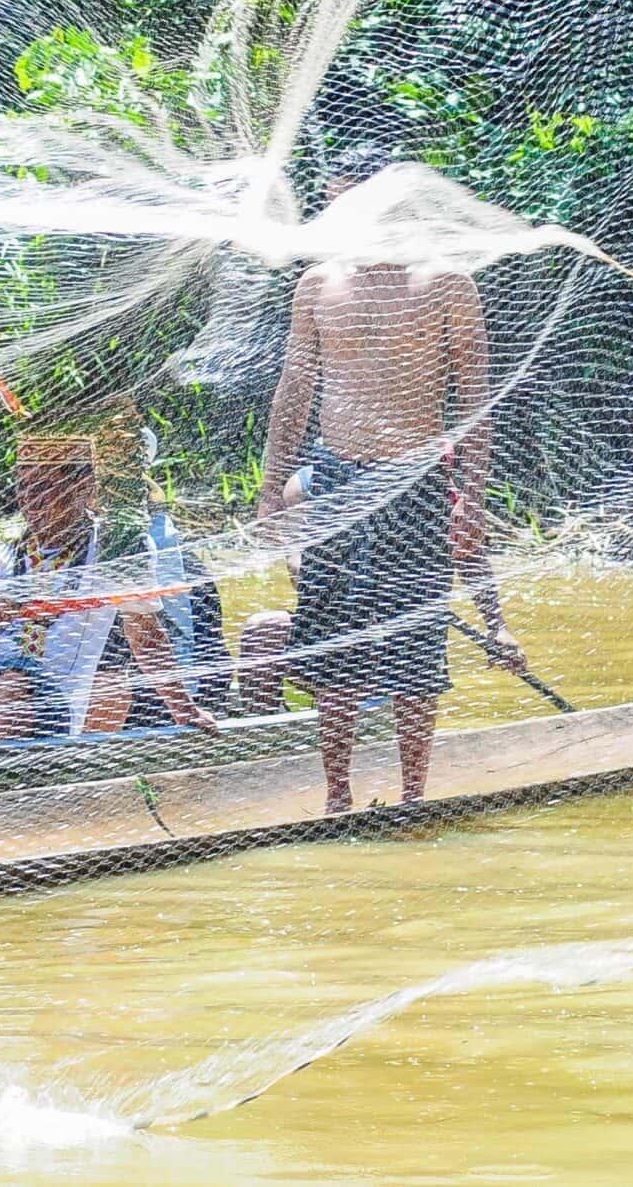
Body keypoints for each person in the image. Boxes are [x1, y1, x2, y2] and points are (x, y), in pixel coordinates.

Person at [258, 141, 493, 813]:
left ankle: (414, 795)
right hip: (336, 478)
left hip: (416, 482)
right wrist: (273, 487)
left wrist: (471, 496)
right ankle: (337, 796)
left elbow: (474, 398)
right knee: (335, 649)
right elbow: (293, 390)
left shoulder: (445, 283)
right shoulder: (318, 285)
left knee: (417, 647)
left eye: (349, 201)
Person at [0, 433, 221, 745]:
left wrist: (185, 710)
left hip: (50, 704)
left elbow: (147, 637)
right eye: (24, 486)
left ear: (83, 489)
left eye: (44, 487)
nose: (30, 499)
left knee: (14, 681)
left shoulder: (118, 550)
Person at [234, 444, 526, 716]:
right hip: (334, 626)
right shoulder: (309, 486)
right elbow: (299, 570)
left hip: (396, 641)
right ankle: (272, 732)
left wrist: (497, 628)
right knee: (261, 632)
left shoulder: (436, 496)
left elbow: (470, 559)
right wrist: (363, 583)